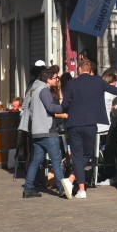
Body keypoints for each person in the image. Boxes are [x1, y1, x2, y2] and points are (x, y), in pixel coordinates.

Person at [59, 59, 117, 199]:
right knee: (87, 155)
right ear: (90, 70)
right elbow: (116, 90)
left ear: (79, 70)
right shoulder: (98, 81)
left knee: (77, 155)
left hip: (73, 123)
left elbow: (64, 105)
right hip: (90, 124)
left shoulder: (71, 83)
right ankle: (73, 183)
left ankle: (80, 189)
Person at [20, 65, 68, 199]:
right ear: (48, 80)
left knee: (36, 160)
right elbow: (50, 107)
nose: (56, 80)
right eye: (55, 78)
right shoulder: (44, 90)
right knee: (56, 160)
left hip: (36, 130)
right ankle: (62, 188)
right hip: (47, 130)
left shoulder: (34, 90)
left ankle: (28, 188)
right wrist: (64, 107)